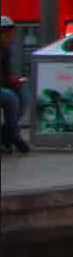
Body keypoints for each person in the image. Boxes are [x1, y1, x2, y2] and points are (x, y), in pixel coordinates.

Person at [0, 19, 28, 156]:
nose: (10, 39)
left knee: (23, 96)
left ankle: (6, 134)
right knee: (10, 98)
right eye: (7, 35)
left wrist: (14, 81)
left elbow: (6, 72)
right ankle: (14, 135)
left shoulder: (5, 50)